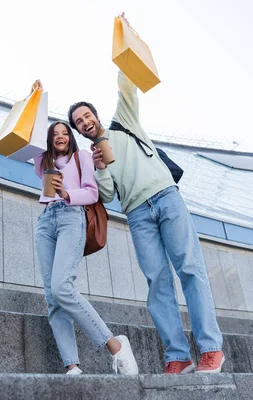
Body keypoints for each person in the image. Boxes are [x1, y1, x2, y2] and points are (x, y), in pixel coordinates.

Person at [66, 17, 225, 374]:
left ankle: (211, 349)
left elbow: (126, 84)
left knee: (191, 270)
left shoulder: (124, 121)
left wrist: (123, 38)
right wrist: (101, 166)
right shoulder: (93, 159)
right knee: (157, 283)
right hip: (138, 215)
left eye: (86, 115)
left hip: (165, 198)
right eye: (78, 122)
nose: (84, 121)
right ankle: (178, 356)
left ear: (95, 116)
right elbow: (106, 195)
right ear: (79, 131)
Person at [31, 80, 138, 376]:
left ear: (72, 137)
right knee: (52, 298)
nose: (61, 136)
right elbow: (30, 137)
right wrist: (35, 100)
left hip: (71, 217)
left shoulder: (82, 158)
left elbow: (93, 193)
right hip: (45, 222)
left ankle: (115, 346)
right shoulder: (43, 162)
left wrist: (67, 194)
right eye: (56, 134)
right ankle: (73, 366)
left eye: (66, 132)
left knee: (61, 286)